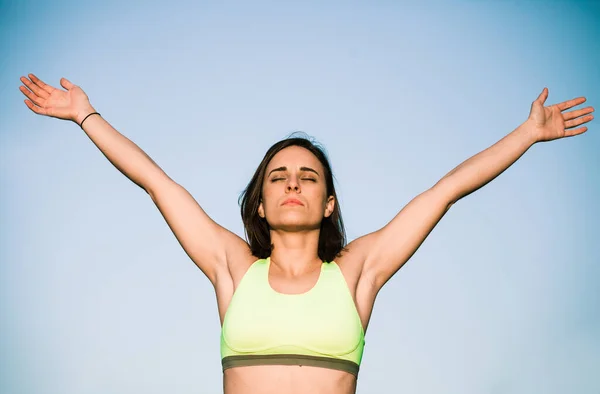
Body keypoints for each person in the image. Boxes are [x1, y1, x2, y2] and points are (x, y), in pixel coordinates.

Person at [19, 73, 594, 394]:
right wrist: (84, 115)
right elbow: (155, 181)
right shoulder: (233, 267)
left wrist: (526, 135)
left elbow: (444, 190)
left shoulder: (357, 272)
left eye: (308, 176)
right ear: (261, 205)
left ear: (329, 202)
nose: (293, 184)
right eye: (279, 177)